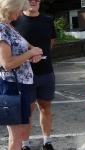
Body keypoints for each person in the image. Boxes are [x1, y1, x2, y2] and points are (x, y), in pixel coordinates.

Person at [12, 0, 56, 149]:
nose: (34, 1)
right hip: (25, 76)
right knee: (27, 111)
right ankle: (25, 144)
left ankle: (47, 141)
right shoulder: (16, 20)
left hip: (46, 73)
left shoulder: (48, 20)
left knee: (45, 108)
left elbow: (50, 44)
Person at [0, 0, 43, 150]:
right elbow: (7, 64)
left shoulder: (9, 27)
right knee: (16, 135)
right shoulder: (1, 28)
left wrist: (33, 51)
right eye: (19, 10)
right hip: (13, 85)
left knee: (18, 134)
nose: (20, 13)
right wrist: (31, 53)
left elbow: (23, 46)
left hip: (19, 84)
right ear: (10, 8)